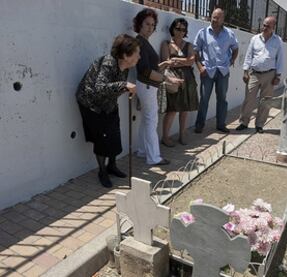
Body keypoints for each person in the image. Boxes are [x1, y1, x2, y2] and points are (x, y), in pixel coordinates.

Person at [76, 34, 140, 188]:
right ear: (125, 55)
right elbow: (99, 87)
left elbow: (115, 87)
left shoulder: (124, 66)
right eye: (137, 52)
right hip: (92, 104)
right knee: (102, 138)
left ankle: (112, 166)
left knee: (114, 133)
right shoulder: (109, 63)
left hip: (108, 103)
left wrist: (123, 86)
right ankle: (102, 171)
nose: (139, 56)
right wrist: (124, 85)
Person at [133, 8, 183, 165]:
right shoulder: (139, 42)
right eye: (147, 24)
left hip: (147, 86)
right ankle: (154, 157)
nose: (150, 27)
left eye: (153, 25)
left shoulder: (144, 42)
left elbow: (152, 68)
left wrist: (165, 64)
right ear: (139, 24)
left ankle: (142, 151)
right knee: (151, 121)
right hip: (147, 86)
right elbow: (146, 71)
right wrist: (168, 80)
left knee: (146, 120)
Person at [193, 8, 239, 134]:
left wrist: (230, 62)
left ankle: (221, 124)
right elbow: (195, 51)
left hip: (223, 72)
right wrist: (200, 67)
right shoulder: (203, 33)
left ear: (223, 19)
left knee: (222, 99)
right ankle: (199, 125)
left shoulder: (229, 34)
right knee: (204, 99)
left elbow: (235, 49)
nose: (214, 19)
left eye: (218, 17)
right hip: (207, 71)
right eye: (213, 17)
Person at [235, 16, 284, 134]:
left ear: (273, 27)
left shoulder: (278, 41)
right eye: (264, 25)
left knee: (265, 101)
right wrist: (245, 71)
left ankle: (259, 124)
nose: (264, 27)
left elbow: (280, 59)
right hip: (254, 74)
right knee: (249, 99)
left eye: (268, 26)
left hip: (270, 74)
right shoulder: (255, 39)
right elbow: (248, 55)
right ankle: (244, 122)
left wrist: (278, 76)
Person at [160, 18, 199, 147]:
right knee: (172, 109)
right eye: (178, 29)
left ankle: (182, 134)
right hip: (173, 79)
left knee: (185, 109)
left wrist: (176, 59)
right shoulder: (166, 44)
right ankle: (165, 137)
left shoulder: (189, 45)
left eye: (183, 29)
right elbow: (166, 62)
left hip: (187, 79)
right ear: (172, 29)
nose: (180, 32)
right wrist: (184, 60)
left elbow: (191, 61)